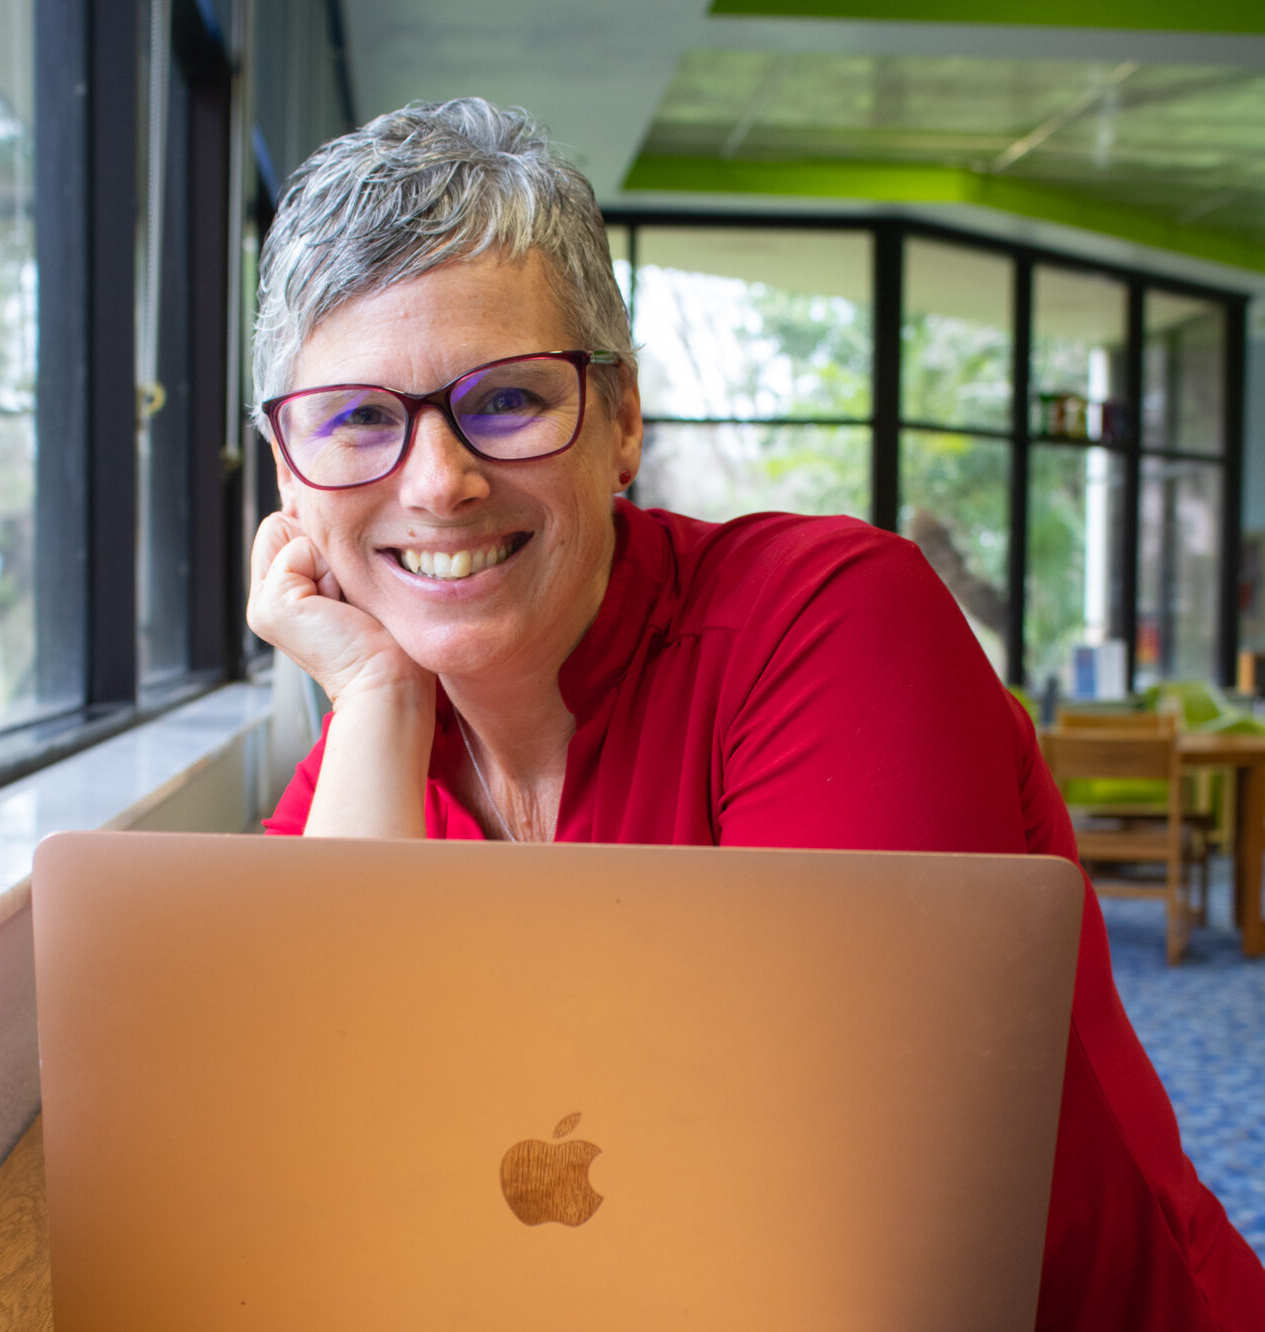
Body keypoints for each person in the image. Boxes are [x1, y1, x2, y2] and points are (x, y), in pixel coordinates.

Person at [246, 98, 1265, 1328]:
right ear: (290, 477)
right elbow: (340, 1190)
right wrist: (373, 692)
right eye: (355, 419)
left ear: (621, 423)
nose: (439, 480)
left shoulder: (831, 623)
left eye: (505, 400)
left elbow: (833, 1219)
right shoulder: (364, 767)